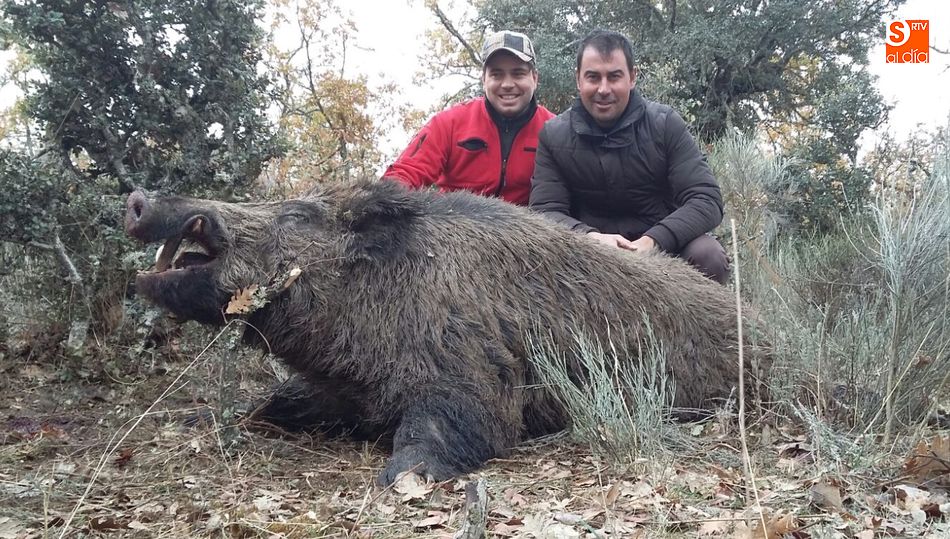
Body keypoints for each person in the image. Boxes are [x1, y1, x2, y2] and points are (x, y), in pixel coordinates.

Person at [530, 30, 729, 284]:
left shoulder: (665, 124)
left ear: (632, 78)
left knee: (708, 255)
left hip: (663, 247)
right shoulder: (553, 135)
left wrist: (654, 240)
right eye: (593, 77)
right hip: (587, 252)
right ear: (578, 80)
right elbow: (545, 211)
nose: (603, 89)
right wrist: (590, 238)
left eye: (614, 77)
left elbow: (706, 199)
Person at [383, 30, 555, 205]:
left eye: (518, 74)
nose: (508, 84)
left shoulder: (554, 131)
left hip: (526, 228)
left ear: (534, 78)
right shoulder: (449, 123)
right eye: (496, 74)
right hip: (453, 227)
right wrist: (382, 202)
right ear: (484, 80)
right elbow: (406, 172)